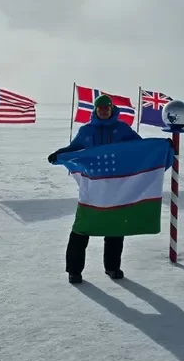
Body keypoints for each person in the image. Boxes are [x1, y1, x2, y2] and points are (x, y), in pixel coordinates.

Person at [48, 94, 141, 284]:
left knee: (115, 229)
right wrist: (59, 155)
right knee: (82, 228)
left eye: (107, 108)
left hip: (116, 187)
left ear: (112, 109)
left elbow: (140, 146)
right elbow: (74, 149)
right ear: (96, 110)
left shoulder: (122, 129)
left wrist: (162, 146)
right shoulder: (86, 131)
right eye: (101, 108)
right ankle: (74, 271)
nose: (104, 111)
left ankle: (112, 267)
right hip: (92, 187)